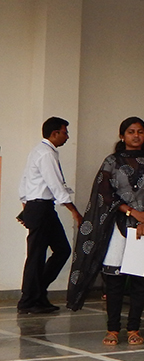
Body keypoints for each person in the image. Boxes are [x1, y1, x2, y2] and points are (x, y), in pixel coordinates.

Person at [67, 117, 144, 345]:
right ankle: (113, 329)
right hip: (116, 227)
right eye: (131, 132)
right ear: (122, 136)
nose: (136, 135)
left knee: (139, 281)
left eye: (140, 131)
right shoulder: (111, 161)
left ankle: (134, 329)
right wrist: (132, 212)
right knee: (114, 281)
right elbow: (104, 193)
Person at [17, 117, 82, 314]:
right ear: (55, 134)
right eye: (65, 132)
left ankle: (37, 293)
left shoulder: (39, 151)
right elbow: (55, 185)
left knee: (61, 250)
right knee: (36, 255)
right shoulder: (46, 154)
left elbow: (25, 181)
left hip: (39, 207)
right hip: (41, 208)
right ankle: (28, 301)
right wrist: (74, 211)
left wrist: (26, 206)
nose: (67, 137)